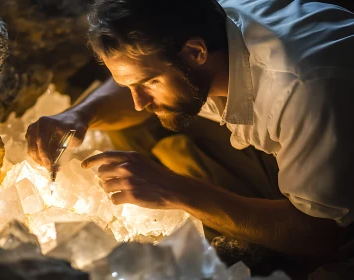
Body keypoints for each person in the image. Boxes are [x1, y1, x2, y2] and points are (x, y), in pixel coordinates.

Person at [25, 0, 354, 258]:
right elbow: (138, 79)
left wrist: (175, 189)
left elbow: (321, 233)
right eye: (127, 85)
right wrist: (79, 115)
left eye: (150, 83)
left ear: (196, 52)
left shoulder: (302, 88)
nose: (138, 102)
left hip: (335, 211)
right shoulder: (205, 29)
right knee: (129, 131)